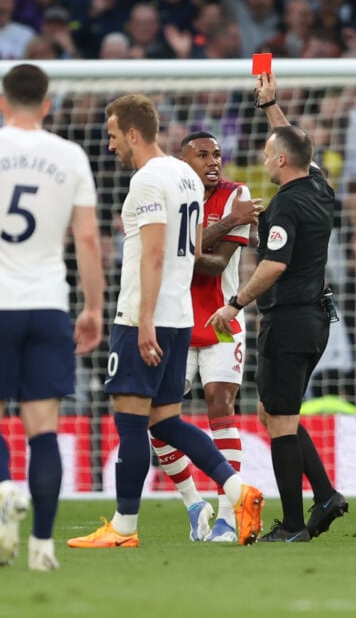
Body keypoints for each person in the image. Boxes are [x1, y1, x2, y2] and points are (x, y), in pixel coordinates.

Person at [67, 95, 263, 549]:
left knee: (132, 422)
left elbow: (155, 253)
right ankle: (238, 492)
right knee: (165, 422)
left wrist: (145, 321)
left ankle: (123, 528)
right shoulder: (187, 179)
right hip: (180, 316)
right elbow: (193, 251)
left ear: (133, 133)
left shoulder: (149, 180)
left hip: (144, 316)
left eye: (113, 136)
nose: (111, 145)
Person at [0, 63, 105, 572]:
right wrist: (93, 307)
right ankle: (43, 548)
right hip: (49, 304)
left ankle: (4, 488)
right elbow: (89, 238)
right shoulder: (70, 155)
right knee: (43, 428)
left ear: (1, 102)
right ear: (47, 105)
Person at [208, 72, 348, 542]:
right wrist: (271, 105)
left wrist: (234, 303)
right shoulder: (319, 188)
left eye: (269, 155)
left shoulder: (286, 205)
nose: (264, 160)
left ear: (281, 161)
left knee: (281, 421)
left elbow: (272, 266)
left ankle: (292, 524)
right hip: (314, 319)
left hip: (288, 319)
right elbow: (298, 147)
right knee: (271, 412)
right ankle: (326, 496)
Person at [152, 131, 263, 543]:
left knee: (221, 403)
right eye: (202, 155)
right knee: (156, 417)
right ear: (183, 161)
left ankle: (228, 515)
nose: (213, 161)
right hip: (174, 319)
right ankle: (193, 504)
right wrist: (233, 223)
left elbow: (215, 266)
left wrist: (183, 246)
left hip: (220, 319)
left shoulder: (237, 193)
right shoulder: (170, 193)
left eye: (217, 154)